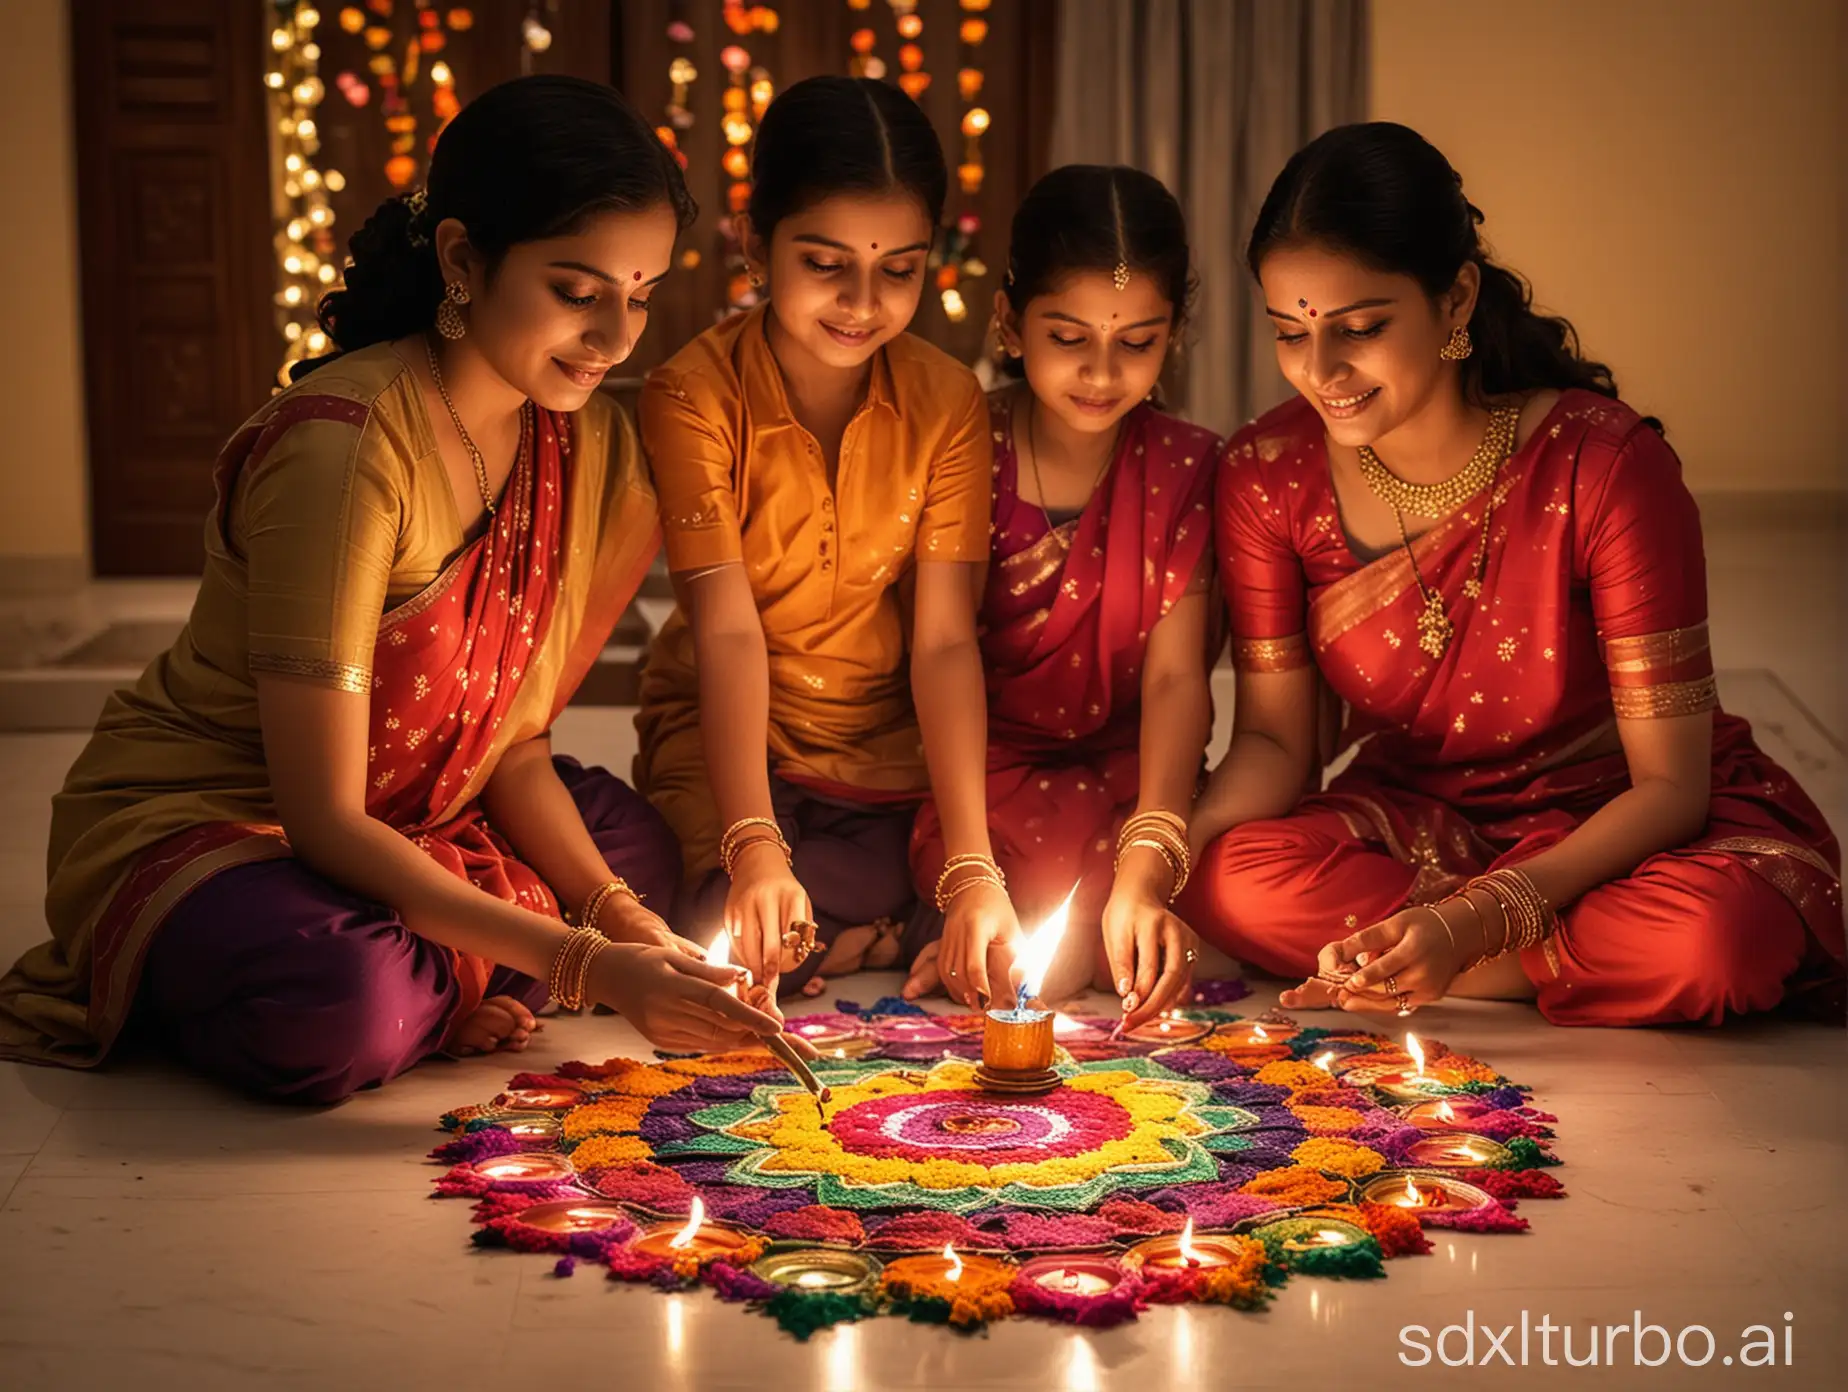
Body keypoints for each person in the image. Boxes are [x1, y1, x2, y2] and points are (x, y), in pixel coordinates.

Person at [0, 76, 786, 1103]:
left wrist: (617, 918)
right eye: (577, 291)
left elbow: (516, 746)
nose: (615, 338)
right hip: (229, 820)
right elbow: (321, 817)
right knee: (337, 1000)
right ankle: (399, 975)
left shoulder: (583, 443)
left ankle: (442, 962)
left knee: (633, 849)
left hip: (427, 813)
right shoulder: (346, 447)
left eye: (639, 298)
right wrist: (584, 963)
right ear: (462, 258)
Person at [1184, 121, 1843, 1027]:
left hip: (1628, 828)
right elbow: (1274, 747)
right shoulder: (1267, 474)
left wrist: (1474, 922)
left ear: (1455, 299)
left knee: (1716, 940)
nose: (1322, 370)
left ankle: (1433, 961)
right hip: (1428, 821)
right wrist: (1160, 860)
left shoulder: (1604, 465)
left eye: (1362, 328)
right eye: (1289, 334)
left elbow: (1670, 788)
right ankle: (1522, 965)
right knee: (1232, 878)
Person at [634, 75, 1020, 1006]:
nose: (862, 301)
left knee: (998, 896)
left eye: (899, 270)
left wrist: (970, 864)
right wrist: (756, 846)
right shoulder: (692, 396)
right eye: (824, 262)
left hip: (884, 753)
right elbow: (726, 632)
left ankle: (867, 921)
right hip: (735, 734)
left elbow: (941, 641)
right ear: (751, 242)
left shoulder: (946, 402)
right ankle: (871, 926)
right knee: (709, 925)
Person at [904, 166, 1218, 1026]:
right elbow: (942, 645)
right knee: (1024, 950)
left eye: (1138, 342)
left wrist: (1150, 856)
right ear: (1009, 321)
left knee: (1100, 950)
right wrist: (970, 866)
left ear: (1175, 335)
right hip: (988, 773)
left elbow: (1174, 680)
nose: (1102, 372)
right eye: (1069, 337)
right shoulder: (969, 440)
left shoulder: (1188, 466)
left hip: (1126, 772)